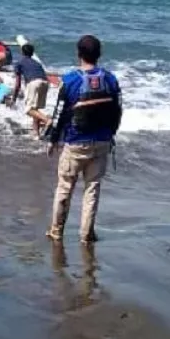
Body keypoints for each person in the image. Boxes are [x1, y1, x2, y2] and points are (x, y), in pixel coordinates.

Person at [45, 35, 122, 244]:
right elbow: (117, 111)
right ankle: (86, 234)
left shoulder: (70, 80)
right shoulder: (111, 79)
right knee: (92, 189)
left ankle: (57, 231)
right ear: (99, 54)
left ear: (78, 53)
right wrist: (111, 134)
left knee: (65, 187)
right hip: (102, 142)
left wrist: (52, 140)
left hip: (76, 143)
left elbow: (59, 113)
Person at [7, 43, 52, 137]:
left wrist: (13, 99)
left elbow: (17, 84)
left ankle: (47, 120)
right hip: (45, 83)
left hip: (34, 83)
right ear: (32, 53)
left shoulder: (19, 63)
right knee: (35, 110)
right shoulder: (37, 63)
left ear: (22, 52)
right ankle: (36, 134)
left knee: (29, 110)